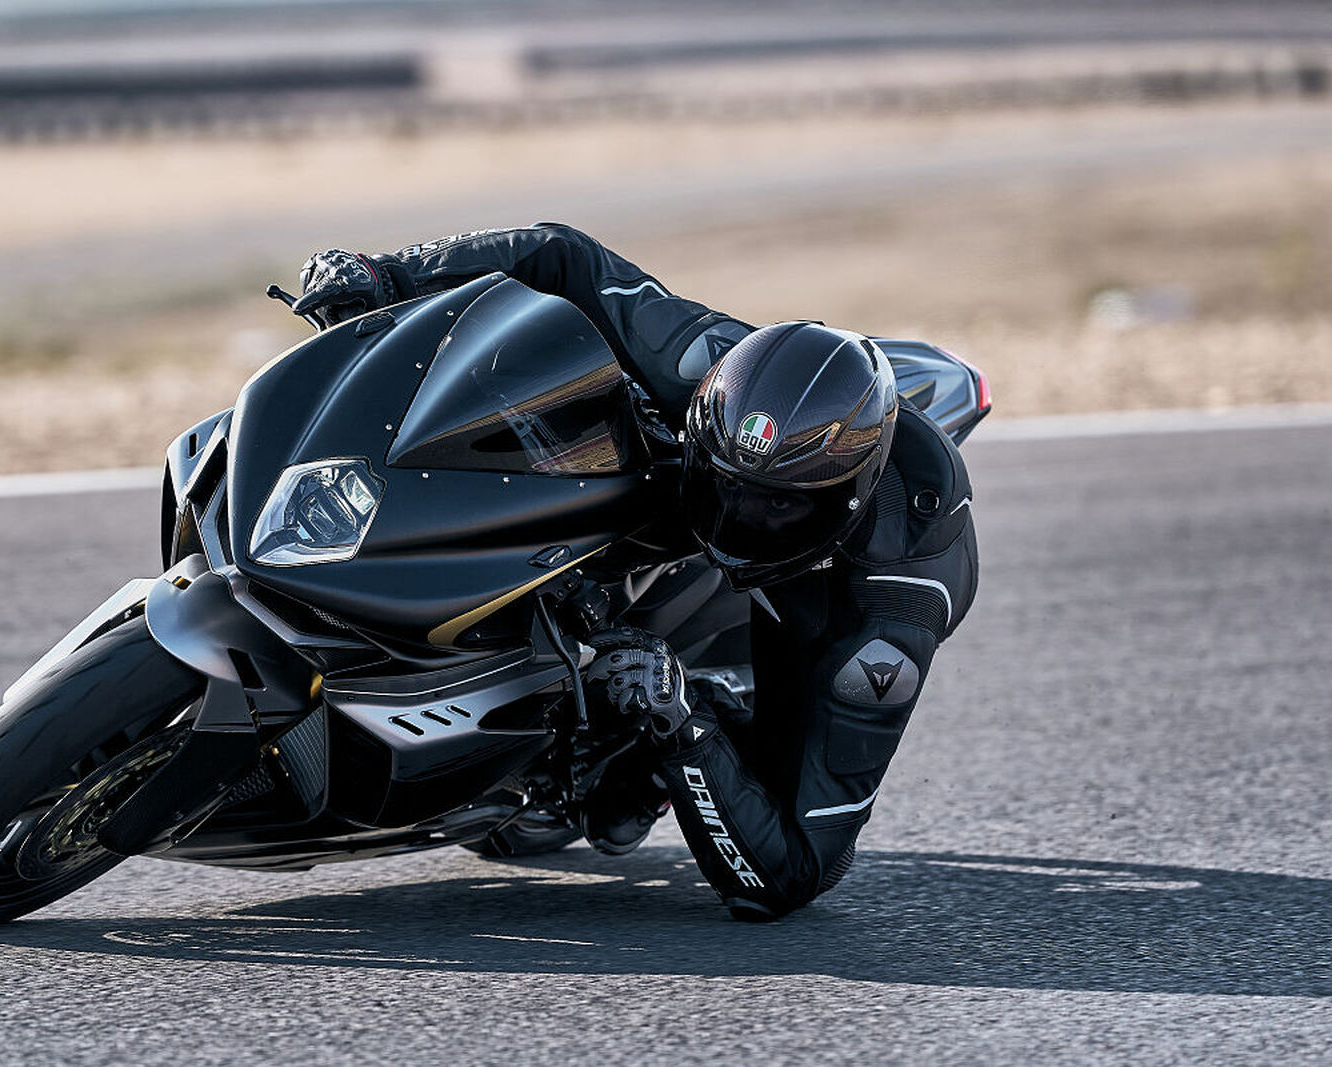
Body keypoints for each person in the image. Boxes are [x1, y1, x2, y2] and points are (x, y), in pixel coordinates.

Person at [291, 224, 979, 921]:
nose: (736, 519)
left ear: (845, 500)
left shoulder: (887, 626)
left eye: (772, 507)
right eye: (728, 488)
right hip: (701, 473)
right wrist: (389, 274)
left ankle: (674, 736)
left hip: (826, 591)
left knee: (689, 782)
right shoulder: (704, 364)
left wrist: (681, 719)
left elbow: (796, 873)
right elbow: (562, 254)